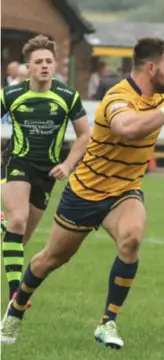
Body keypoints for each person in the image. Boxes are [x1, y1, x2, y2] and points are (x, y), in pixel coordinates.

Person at [0, 36, 164, 348]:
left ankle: (108, 322)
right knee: (51, 258)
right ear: (150, 68)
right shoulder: (118, 97)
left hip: (124, 192)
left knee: (131, 238)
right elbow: (128, 127)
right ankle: (15, 309)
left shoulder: (159, 97)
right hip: (86, 191)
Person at [1, 35, 91, 306]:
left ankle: (2, 223)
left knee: (21, 236)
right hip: (16, 162)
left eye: (48, 61)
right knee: (18, 220)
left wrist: (66, 164)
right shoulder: (12, 94)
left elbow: (85, 135)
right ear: (28, 67)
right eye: (38, 62)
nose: (44, 66)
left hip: (47, 172)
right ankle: (15, 293)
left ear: (55, 66)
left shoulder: (67, 97)